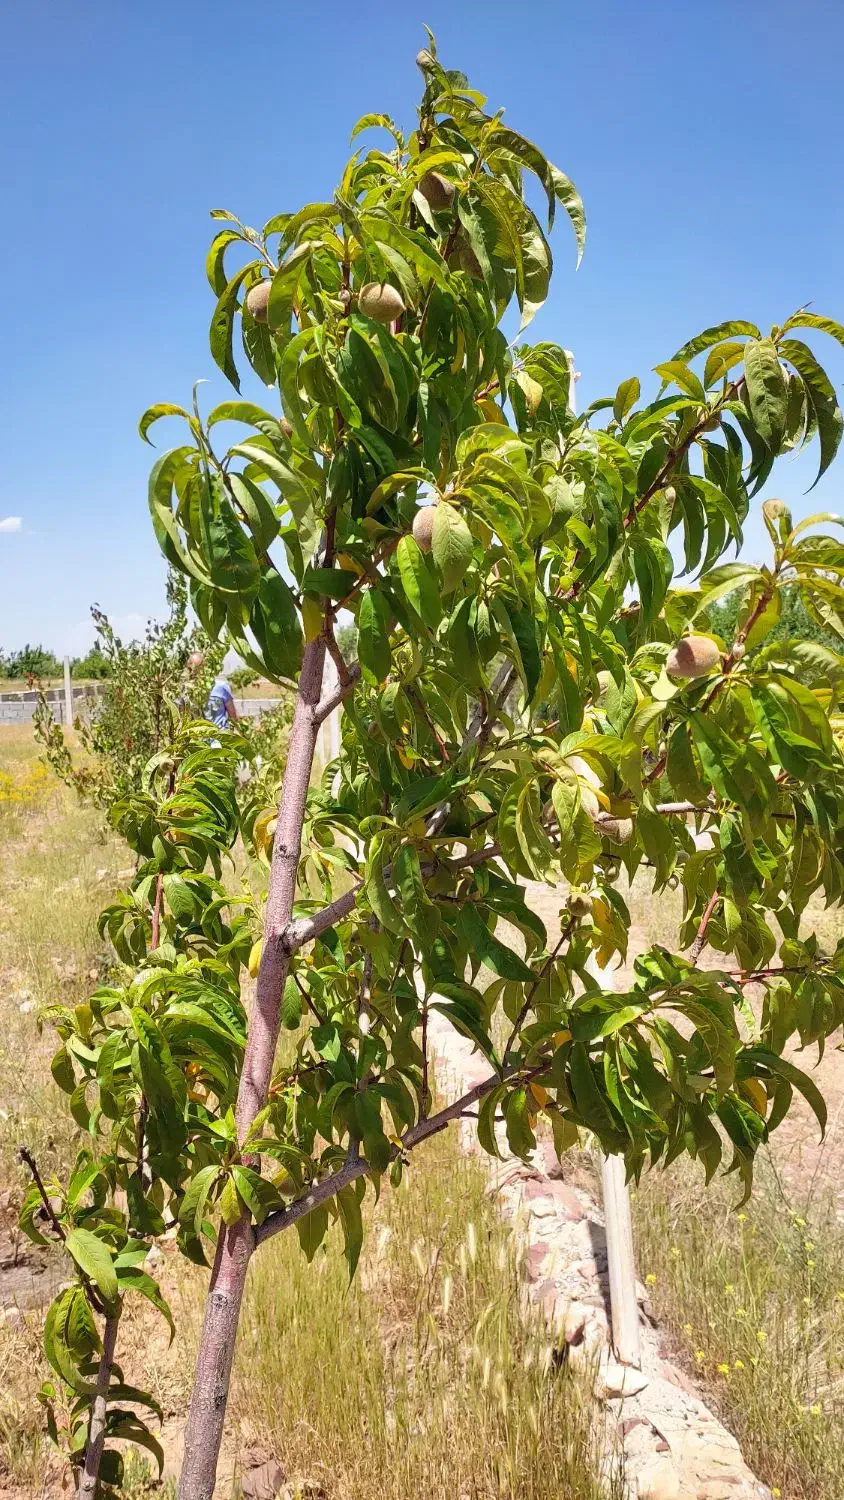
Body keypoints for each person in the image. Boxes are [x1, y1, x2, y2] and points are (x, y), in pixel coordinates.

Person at [186, 652, 239, 731]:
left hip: (219, 738)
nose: (193, 672)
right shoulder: (188, 691)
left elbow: (233, 717)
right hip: (199, 740)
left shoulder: (221, 687)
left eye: (197, 667)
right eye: (191, 669)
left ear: (204, 667)